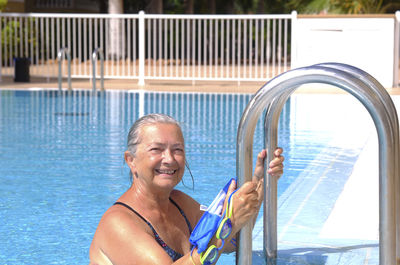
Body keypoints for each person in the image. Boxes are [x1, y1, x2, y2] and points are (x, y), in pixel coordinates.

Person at [89, 113, 284, 265]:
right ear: (130, 160)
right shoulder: (119, 223)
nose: (170, 159)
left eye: (177, 150)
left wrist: (260, 181)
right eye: (156, 149)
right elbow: (224, 232)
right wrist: (229, 222)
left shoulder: (180, 204)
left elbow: (232, 241)